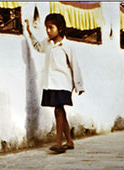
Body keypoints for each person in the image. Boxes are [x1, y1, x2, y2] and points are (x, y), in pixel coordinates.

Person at [25, 13, 84, 154]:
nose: (48, 30)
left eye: (51, 27)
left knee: (58, 110)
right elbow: (38, 47)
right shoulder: (48, 43)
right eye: (46, 27)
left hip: (63, 84)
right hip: (51, 83)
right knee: (61, 111)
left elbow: (75, 66)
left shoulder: (67, 46)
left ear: (61, 29)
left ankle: (58, 142)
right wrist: (29, 32)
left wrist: (79, 85)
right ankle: (69, 141)